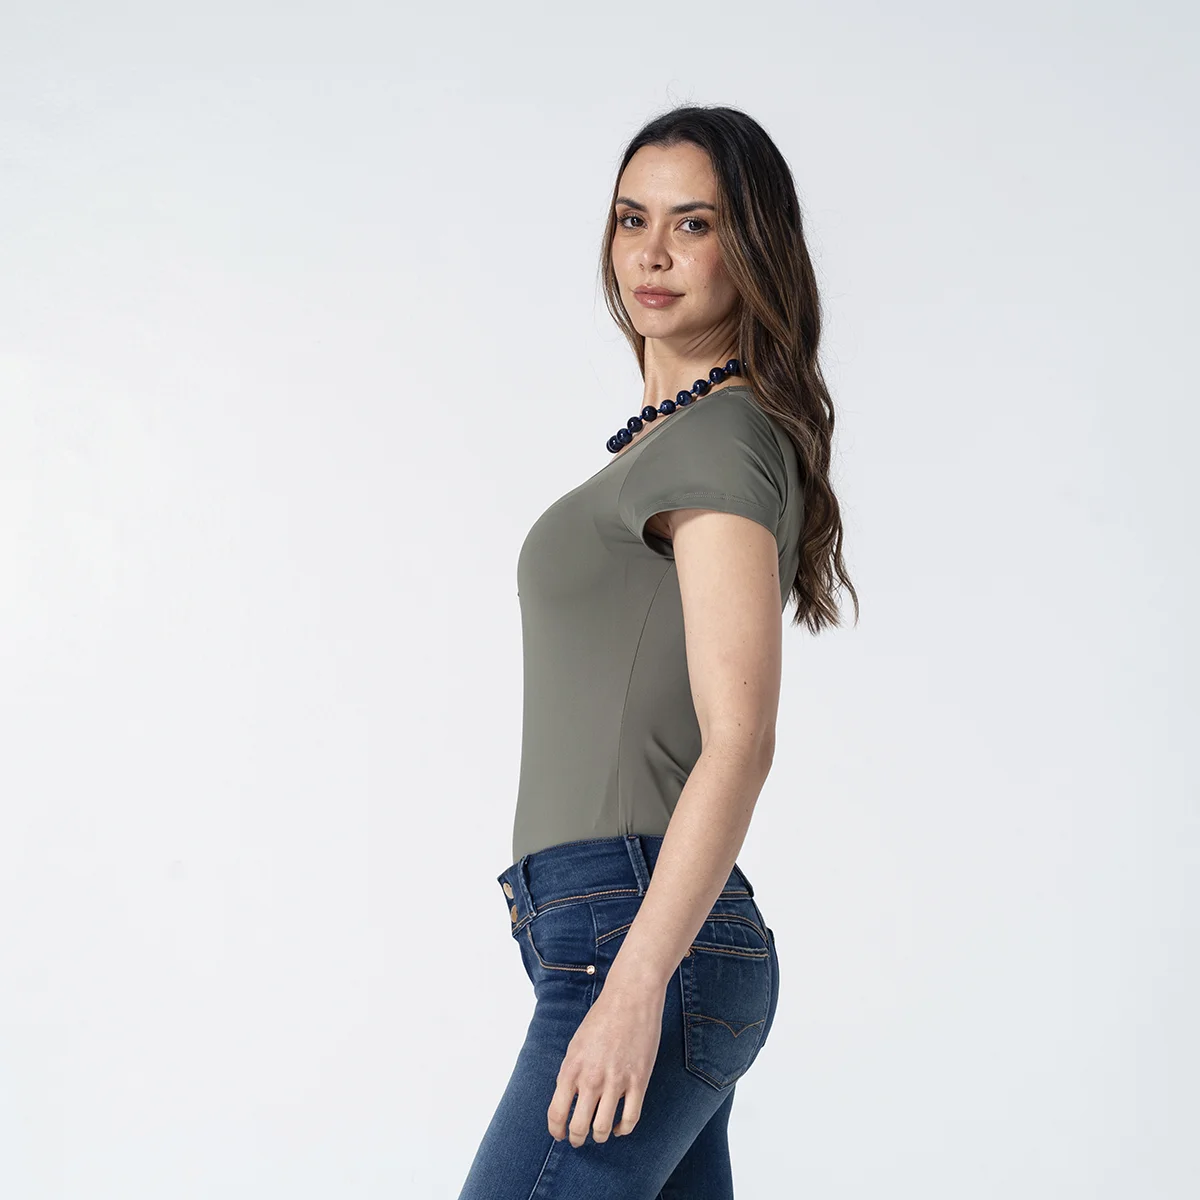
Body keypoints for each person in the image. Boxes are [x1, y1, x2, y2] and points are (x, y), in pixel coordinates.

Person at [456, 103, 858, 1200]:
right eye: (633, 219)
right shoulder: (681, 438)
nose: (652, 251)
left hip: (635, 932)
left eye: (695, 224)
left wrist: (636, 985)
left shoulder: (720, 437)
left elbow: (740, 740)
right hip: (615, 927)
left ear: (753, 247)